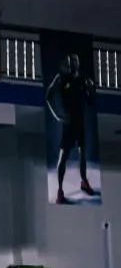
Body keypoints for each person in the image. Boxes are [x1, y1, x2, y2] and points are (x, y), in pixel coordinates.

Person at [45, 52, 97, 204]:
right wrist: (56, 116)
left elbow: (90, 101)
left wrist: (90, 88)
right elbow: (48, 95)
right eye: (71, 61)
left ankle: (84, 182)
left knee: (82, 154)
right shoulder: (61, 77)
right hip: (68, 124)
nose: (73, 63)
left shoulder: (83, 79)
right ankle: (60, 191)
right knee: (63, 158)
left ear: (78, 63)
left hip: (80, 122)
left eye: (75, 60)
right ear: (68, 63)